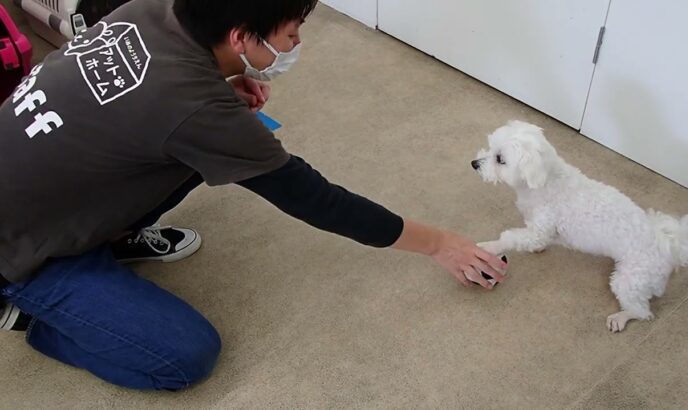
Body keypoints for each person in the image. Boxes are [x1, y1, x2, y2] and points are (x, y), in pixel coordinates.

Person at [0, 0, 507, 390]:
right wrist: (440, 242)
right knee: (184, 357)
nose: (297, 40)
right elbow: (315, 199)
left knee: (232, 141)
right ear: (241, 36)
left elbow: (152, 96)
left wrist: (222, 86)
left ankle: (103, 241)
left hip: (33, 189)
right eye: (292, 33)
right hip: (15, 251)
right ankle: (34, 314)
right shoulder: (193, 108)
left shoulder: (148, 9)